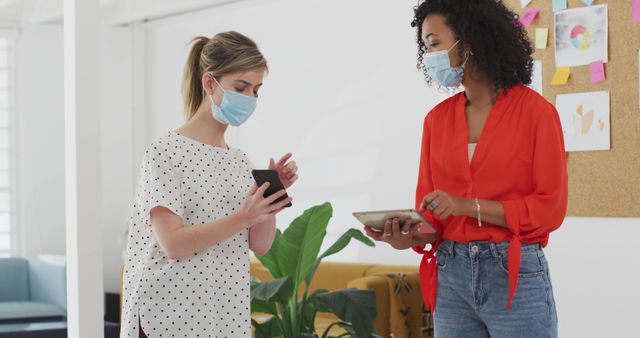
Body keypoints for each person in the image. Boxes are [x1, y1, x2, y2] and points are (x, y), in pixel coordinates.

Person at [364, 1, 568, 337]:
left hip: (515, 277)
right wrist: (404, 235)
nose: (429, 55)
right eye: (425, 47)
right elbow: (432, 218)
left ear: (469, 43)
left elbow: (550, 209)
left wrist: (467, 205)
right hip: (451, 275)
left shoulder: (537, 114)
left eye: (434, 44)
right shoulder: (436, 121)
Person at [120, 31, 298, 337]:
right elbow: (173, 244)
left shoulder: (241, 161)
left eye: (256, 90)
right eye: (241, 87)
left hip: (223, 316)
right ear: (209, 83)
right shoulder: (164, 153)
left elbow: (260, 244)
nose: (250, 99)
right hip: (167, 315)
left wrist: (271, 198)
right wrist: (243, 217)